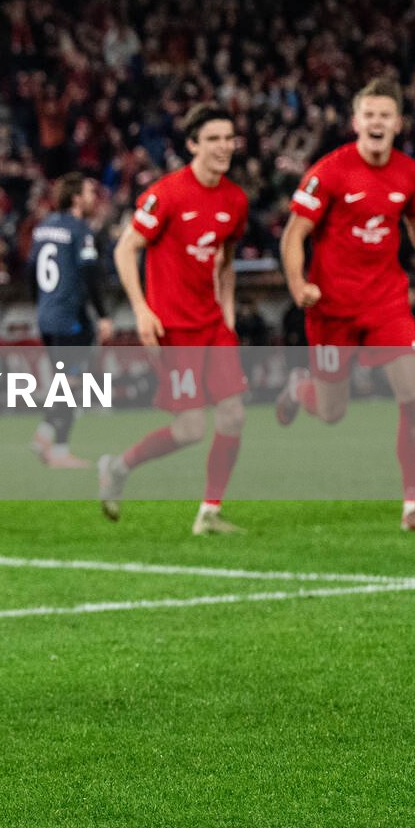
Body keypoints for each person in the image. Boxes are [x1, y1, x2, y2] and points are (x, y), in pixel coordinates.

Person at [276, 77, 415, 532]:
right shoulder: (329, 172)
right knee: (332, 412)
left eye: (384, 115)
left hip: (387, 303)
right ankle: (299, 389)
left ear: (398, 123)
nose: (376, 122)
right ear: (355, 122)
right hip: (331, 308)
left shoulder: (408, 173)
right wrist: (297, 284)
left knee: (413, 394)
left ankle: (413, 506)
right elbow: (295, 233)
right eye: (369, 115)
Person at [96, 105, 249, 535]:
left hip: (214, 325)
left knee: (234, 415)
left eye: (229, 138)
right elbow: (125, 249)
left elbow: (226, 261)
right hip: (174, 328)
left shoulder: (235, 199)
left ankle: (210, 513)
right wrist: (142, 310)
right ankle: (118, 466)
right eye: (214, 139)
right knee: (190, 429)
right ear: (193, 144)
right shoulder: (167, 194)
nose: (224, 147)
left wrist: (229, 315)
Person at [28, 172, 115, 468]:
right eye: (90, 192)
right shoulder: (80, 230)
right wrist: (103, 315)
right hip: (71, 318)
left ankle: (58, 449)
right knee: (72, 383)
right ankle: (48, 434)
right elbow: (90, 273)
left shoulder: (43, 228)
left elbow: (30, 271)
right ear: (76, 198)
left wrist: (42, 304)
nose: (94, 198)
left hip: (47, 316)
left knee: (64, 382)